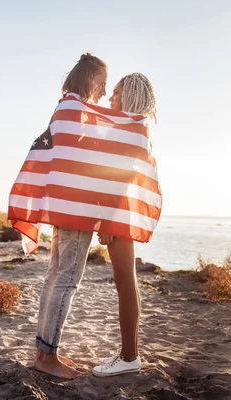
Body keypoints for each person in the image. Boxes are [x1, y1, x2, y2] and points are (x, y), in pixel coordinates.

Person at [32, 53, 108, 379]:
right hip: (76, 207)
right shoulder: (79, 111)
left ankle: (42, 351)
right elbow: (86, 161)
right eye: (103, 84)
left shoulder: (63, 107)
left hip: (62, 204)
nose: (104, 92)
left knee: (54, 275)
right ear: (91, 79)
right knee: (67, 279)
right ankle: (47, 358)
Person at [92, 73, 158, 377]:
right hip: (119, 212)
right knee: (125, 281)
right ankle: (129, 354)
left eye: (115, 93)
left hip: (118, 213)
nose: (110, 98)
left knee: (125, 282)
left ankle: (129, 356)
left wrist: (106, 219)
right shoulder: (132, 129)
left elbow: (122, 179)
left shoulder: (132, 130)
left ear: (129, 97)